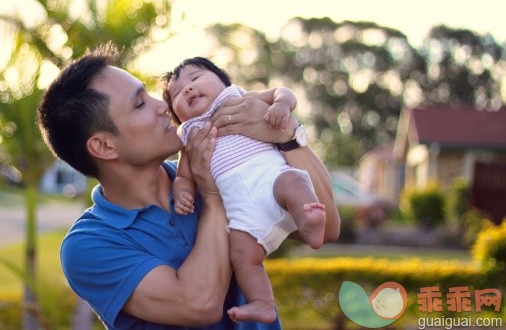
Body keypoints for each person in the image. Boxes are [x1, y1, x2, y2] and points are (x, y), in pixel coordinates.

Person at [37, 42, 340, 329]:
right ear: (104, 146)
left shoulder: (219, 167)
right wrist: (210, 193)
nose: (163, 107)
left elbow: (327, 228)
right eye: (140, 104)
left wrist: (286, 135)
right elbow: (199, 304)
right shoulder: (88, 246)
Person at [162, 57, 327, 323]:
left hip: (271, 182)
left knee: (295, 181)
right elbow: (184, 176)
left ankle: (309, 224)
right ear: (176, 114)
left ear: (224, 82)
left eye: (194, 79)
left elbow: (280, 92)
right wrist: (183, 192)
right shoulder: (189, 137)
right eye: (178, 93)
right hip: (243, 213)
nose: (188, 89)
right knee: (242, 256)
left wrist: (282, 105)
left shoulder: (238, 98)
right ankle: (263, 303)